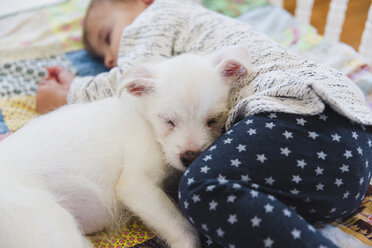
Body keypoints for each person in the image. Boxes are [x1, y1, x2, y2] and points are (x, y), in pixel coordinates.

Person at [35, 0, 372, 247]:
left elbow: (133, 76)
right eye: (102, 57)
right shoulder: (203, 42)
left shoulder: (157, 16)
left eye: (108, 36)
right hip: (348, 161)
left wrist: (69, 93)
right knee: (232, 201)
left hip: (300, 113)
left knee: (198, 188)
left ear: (143, 3)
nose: (111, 58)